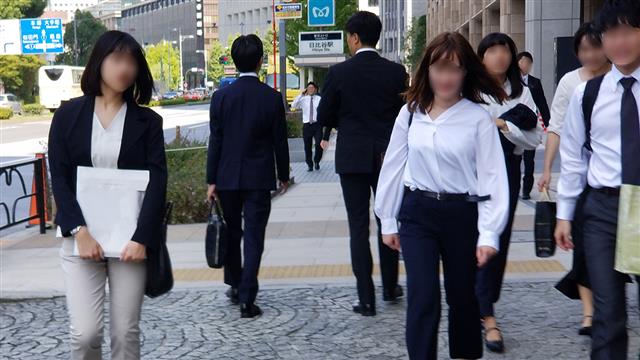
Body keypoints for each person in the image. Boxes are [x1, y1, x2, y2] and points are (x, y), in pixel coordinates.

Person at [375, 32, 509, 360]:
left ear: (465, 73)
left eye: (454, 69)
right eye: (439, 68)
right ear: (427, 70)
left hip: (462, 214)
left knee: (462, 298)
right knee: (423, 297)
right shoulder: (410, 112)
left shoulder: (477, 117)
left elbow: (493, 175)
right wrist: (388, 219)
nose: (446, 77)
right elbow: (393, 165)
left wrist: (489, 233)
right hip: (418, 212)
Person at [48, 30, 167, 359]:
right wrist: (79, 232)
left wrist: (142, 237)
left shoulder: (148, 122)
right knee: (85, 334)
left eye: (131, 61)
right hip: (80, 239)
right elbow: (59, 176)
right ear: (99, 62)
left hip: (130, 242)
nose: (124, 68)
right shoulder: (67, 116)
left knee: (125, 332)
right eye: (117, 59)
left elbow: (158, 181)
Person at [555, 1, 640, 358]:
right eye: (611, 34)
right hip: (603, 208)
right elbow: (573, 157)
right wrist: (564, 213)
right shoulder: (587, 94)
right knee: (607, 313)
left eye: (628, 31)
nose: (619, 42)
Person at [316, 11, 408, 316]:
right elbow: (404, 116)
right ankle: (391, 287)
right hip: (387, 157)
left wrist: (336, 124)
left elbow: (325, 114)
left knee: (358, 226)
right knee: (388, 219)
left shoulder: (339, 73)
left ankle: (365, 298)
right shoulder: (396, 72)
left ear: (354, 38)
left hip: (352, 155)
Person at [206, 34, 290, 319]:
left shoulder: (221, 97)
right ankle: (247, 297)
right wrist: (284, 175)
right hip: (259, 177)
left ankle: (233, 284)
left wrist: (211, 180)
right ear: (260, 61)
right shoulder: (271, 98)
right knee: (254, 237)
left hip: (227, 177)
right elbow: (280, 140)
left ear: (231, 61)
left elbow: (215, 141)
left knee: (231, 233)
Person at [537, 21, 611, 337]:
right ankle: (589, 313)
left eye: (595, 47)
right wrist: (548, 169)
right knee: (585, 248)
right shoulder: (572, 83)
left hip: (617, 181)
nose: (589, 54)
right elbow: (556, 127)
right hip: (581, 180)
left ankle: (609, 304)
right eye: (583, 49)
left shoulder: (622, 78)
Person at [475, 32, 544, 353]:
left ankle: (486, 307)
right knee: (470, 237)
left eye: (505, 50)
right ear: (481, 56)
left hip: (506, 169)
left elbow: (535, 139)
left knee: (498, 240)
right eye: (492, 50)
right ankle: (480, 307)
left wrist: (504, 126)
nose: (500, 56)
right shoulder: (468, 90)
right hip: (471, 173)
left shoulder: (522, 92)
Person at [517, 51, 550, 200]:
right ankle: (514, 185)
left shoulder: (535, 82)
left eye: (529, 63)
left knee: (529, 159)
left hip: (530, 125)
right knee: (515, 158)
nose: (526, 65)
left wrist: (549, 124)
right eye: (523, 62)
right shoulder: (510, 81)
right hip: (514, 125)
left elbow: (542, 103)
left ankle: (526, 189)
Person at [291, 81, 323, 171]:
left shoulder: (319, 99)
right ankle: (310, 164)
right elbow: (293, 105)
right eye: (309, 88)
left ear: (315, 89)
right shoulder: (303, 99)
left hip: (317, 125)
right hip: (307, 125)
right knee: (307, 146)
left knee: (318, 144)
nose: (310, 90)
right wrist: (301, 95)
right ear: (306, 90)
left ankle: (317, 160)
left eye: (312, 88)